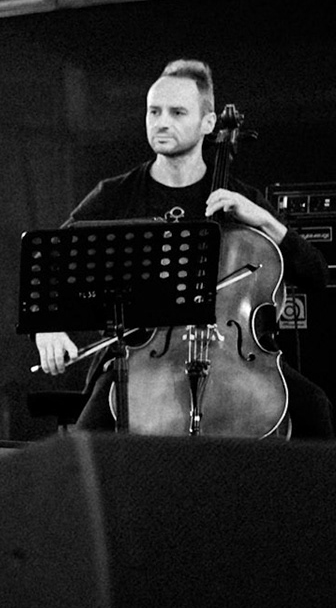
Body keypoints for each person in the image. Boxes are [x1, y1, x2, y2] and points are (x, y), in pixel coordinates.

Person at [33, 58, 332, 437]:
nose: (162, 122)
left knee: (314, 407)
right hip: (138, 358)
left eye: (177, 112)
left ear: (208, 123)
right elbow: (48, 263)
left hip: (234, 354)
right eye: (154, 111)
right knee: (85, 445)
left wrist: (263, 220)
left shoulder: (239, 199)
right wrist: (48, 327)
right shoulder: (116, 195)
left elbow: (315, 273)